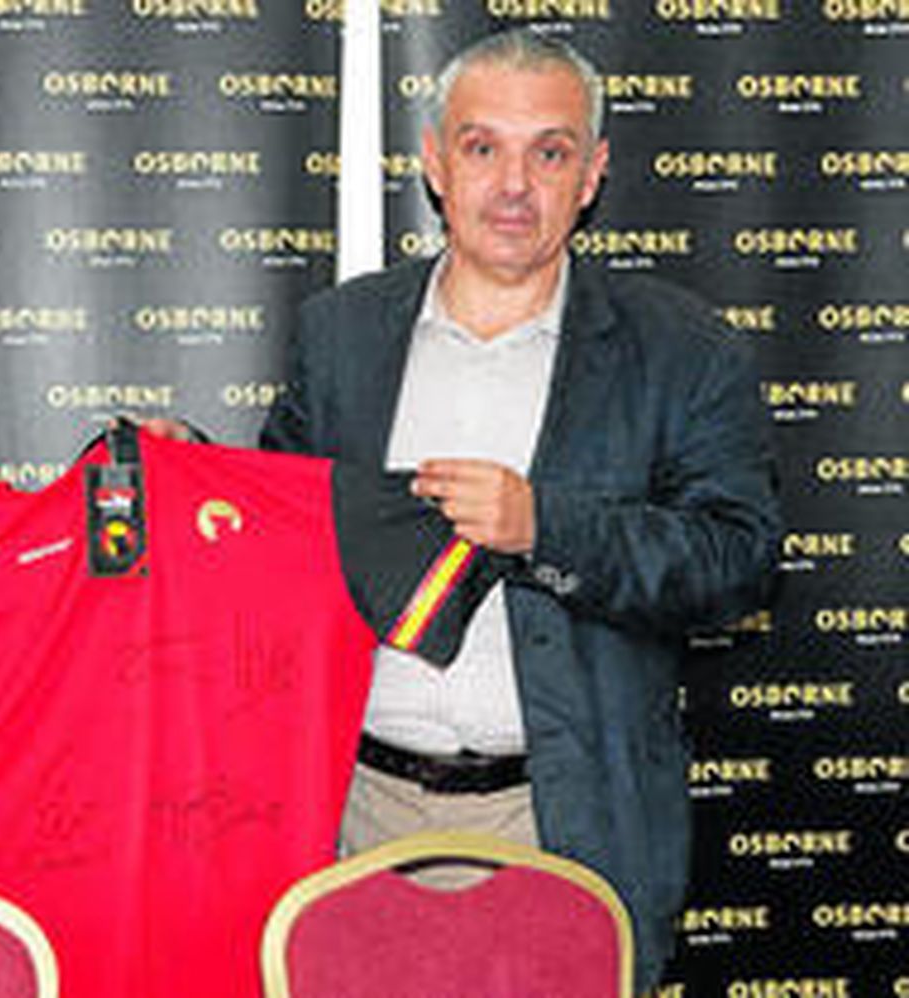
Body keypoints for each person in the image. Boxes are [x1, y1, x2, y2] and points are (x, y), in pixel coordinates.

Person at [259, 29, 780, 990]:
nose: (513, 184)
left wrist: (548, 527)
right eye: (482, 146)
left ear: (593, 173)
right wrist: (180, 472)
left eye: (550, 151)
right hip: (353, 809)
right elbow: (277, 528)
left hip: (563, 821)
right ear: (432, 162)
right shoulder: (341, 335)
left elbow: (738, 562)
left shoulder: (683, 350)